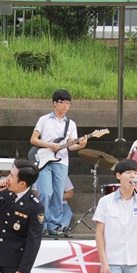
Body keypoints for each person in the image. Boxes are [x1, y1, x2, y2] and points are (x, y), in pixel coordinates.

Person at [30, 89, 87, 237]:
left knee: (57, 195)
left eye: (68, 103)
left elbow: (71, 145)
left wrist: (81, 145)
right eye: (63, 103)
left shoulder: (71, 124)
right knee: (45, 192)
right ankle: (41, 223)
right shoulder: (44, 119)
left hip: (61, 161)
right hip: (44, 161)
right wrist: (49, 145)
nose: (65, 106)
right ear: (55, 103)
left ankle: (54, 225)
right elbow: (33, 139)